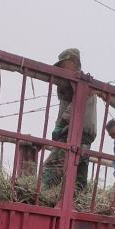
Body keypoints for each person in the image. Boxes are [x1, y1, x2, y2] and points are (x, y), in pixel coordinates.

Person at [41, 47, 97, 192]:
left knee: (52, 166)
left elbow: (75, 106)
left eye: (63, 64)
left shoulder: (82, 82)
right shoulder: (69, 84)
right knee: (79, 172)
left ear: (74, 62)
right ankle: (78, 202)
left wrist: (60, 125)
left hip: (74, 132)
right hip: (81, 134)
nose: (61, 68)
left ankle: (39, 195)